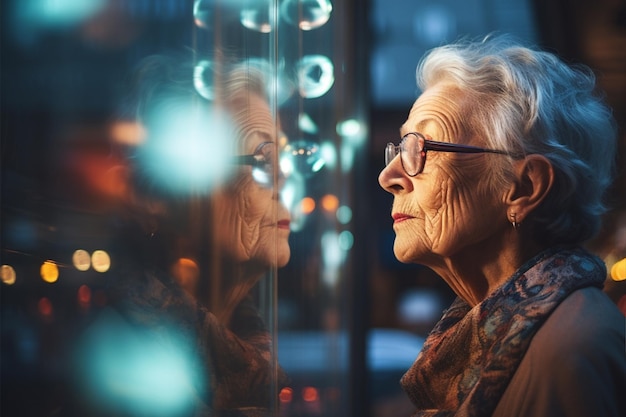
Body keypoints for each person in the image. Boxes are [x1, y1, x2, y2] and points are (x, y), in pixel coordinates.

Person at [378, 36, 626, 417]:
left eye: (421, 150)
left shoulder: (572, 350)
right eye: (401, 149)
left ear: (524, 188)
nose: (389, 176)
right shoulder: (503, 332)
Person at [63, 60, 292, 417]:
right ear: (150, 194)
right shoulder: (120, 370)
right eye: (263, 157)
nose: (282, 179)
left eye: (283, 157)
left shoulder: (244, 360)